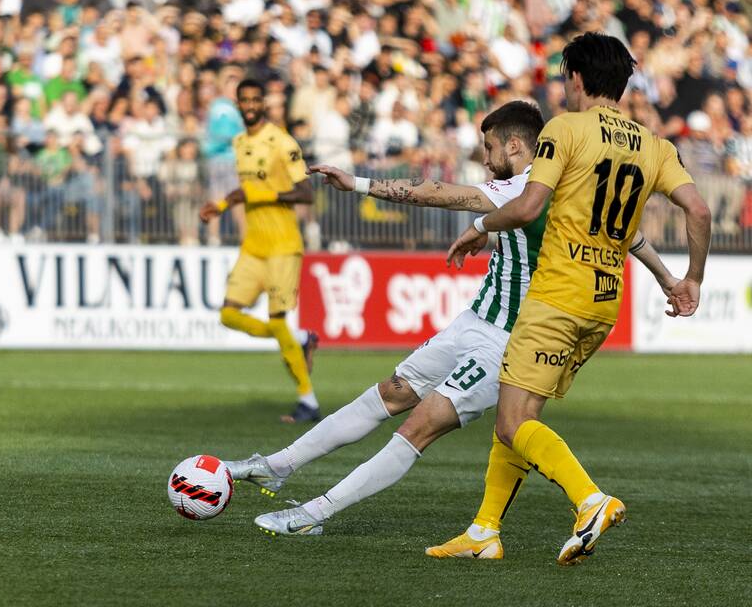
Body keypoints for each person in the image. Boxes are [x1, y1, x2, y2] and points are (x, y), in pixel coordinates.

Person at [225, 101, 677, 538]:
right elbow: (630, 236)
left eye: (490, 149)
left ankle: (312, 513)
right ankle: (278, 466)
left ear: (516, 147)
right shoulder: (575, 187)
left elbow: (434, 193)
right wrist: (668, 278)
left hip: (511, 341)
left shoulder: (523, 187)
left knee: (418, 427)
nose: (485, 160)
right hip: (475, 321)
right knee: (392, 392)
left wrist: (359, 184)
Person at [437, 33, 710, 564]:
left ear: (578, 79)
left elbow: (525, 207)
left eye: (565, 77)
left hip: (556, 295)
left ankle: (590, 500)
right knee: (520, 415)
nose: (564, 87)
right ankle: (483, 532)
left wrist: (479, 226)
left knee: (513, 423)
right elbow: (698, 211)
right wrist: (687, 277)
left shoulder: (565, 130)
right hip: (604, 303)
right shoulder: (654, 146)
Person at [199, 78, 320, 423]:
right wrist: (220, 205)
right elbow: (246, 188)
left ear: (263, 103)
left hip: (283, 245)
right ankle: (300, 338)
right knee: (228, 314)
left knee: (275, 319)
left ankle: (308, 400)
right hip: (254, 245)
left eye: (256, 100)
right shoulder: (239, 142)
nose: (250, 105)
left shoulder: (282, 142)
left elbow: (306, 193)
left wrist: (264, 196)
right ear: (238, 104)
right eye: (245, 101)